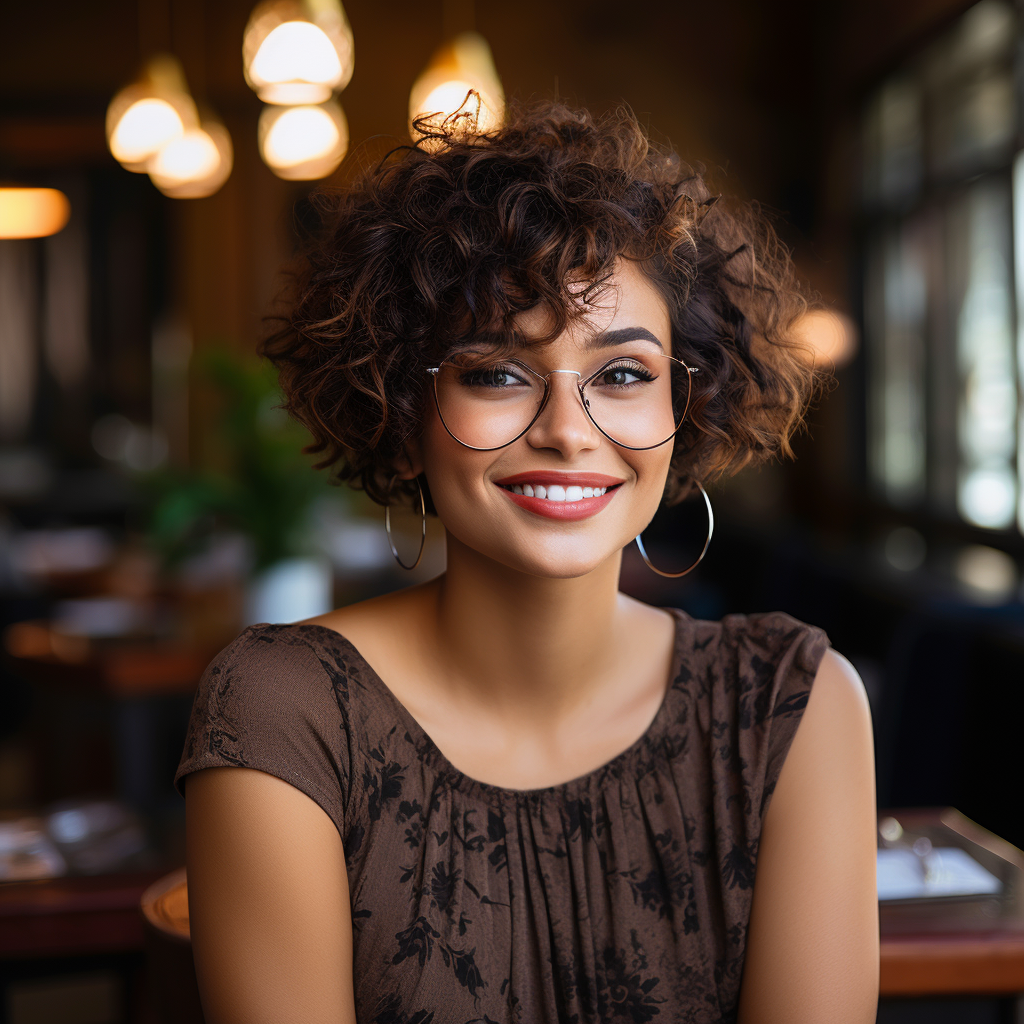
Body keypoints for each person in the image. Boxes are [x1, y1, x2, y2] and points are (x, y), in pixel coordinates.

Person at [174, 101, 878, 1024]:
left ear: (686, 407)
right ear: (400, 411)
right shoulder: (285, 713)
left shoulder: (794, 706)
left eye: (622, 375)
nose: (565, 432)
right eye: (496, 372)